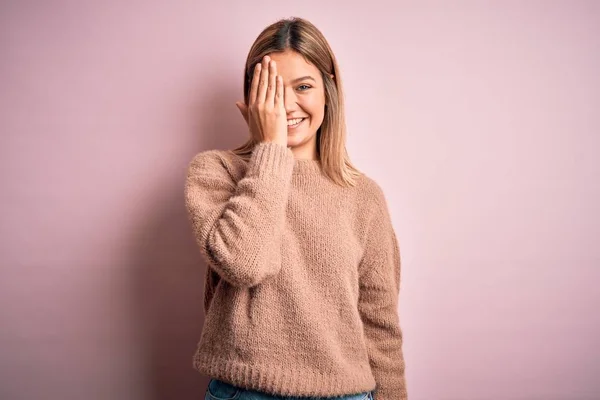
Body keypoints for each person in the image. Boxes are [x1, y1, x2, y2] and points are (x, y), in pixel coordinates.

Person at [184, 17, 407, 400]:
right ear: (251, 99)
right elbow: (246, 262)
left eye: (303, 86)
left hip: (347, 395)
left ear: (328, 91)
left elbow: (380, 324)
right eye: (270, 90)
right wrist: (271, 148)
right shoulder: (215, 172)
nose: (286, 105)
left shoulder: (364, 196)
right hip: (246, 393)